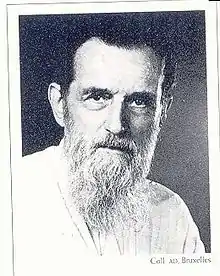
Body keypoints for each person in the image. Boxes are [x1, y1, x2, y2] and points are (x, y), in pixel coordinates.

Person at [14, 23, 205, 271]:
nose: (116, 125)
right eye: (97, 97)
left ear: (162, 112)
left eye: (139, 102)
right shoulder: (13, 193)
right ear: (60, 104)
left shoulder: (172, 215)